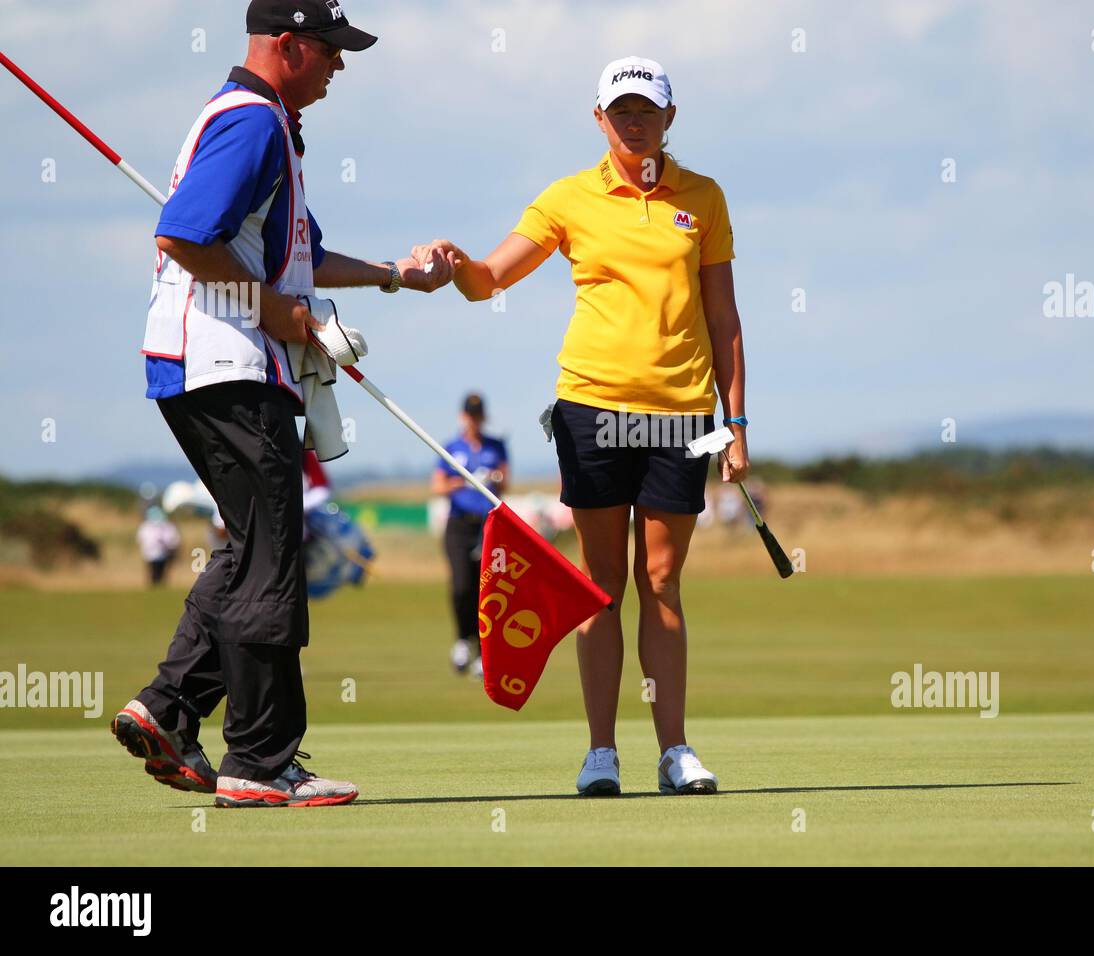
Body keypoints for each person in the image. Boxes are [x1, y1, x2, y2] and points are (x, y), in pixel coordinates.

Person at [110, 0, 454, 808]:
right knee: (273, 559)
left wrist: (397, 275)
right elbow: (184, 236)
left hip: (216, 365)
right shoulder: (254, 124)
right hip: (226, 362)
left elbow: (302, 256)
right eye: (331, 49)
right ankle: (260, 762)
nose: (340, 64)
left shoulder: (272, 127)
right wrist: (275, 314)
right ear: (287, 44)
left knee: (252, 546)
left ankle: (166, 707)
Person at [414, 56, 750, 796]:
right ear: (598, 118)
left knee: (661, 579)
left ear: (670, 116)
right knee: (600, 586)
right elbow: (491, 278)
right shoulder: (568, 198)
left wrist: (738, 423)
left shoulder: (705, 198)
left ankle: (675, 751)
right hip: (592, 407)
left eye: (646, 110)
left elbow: (723, 316)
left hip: (682, 413)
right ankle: (602, 753)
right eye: (620, 111)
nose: (634, 122)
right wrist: (456, 262)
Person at [431, 393, 509, 678]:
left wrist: (493, 478)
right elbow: (437, 485)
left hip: (487, 525)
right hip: (458, 525)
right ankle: (463, 639)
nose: (474, 420)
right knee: (461, 585)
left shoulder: (496, 446)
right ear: (463, 416)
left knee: (484, 589)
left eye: (478, 415)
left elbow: (505, 479)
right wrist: (463, 480)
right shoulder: (453, 447)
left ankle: (482, 649)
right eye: (470, 415)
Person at [137, 506, 181, 587]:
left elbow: (173, 539)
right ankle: (153, 586)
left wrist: (167, 544)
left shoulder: (167, 526)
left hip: (164, 554)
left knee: (162, 572)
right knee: (152, 572)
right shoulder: (145, 527)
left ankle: (160, 586)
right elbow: (142, 539)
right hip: (150, 554)